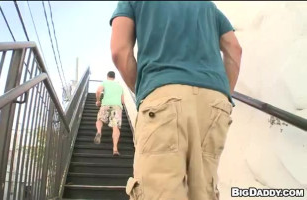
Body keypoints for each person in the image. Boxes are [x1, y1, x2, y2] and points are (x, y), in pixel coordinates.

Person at [110, 1, 242, 200]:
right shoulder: (208, 6)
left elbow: (119, 51)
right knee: (204, 192)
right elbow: (234, 49)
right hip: (214, 103)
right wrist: (223, 97)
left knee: (159, 192)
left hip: (163, 96)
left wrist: (146, 92)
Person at [94, 71, 125, 156]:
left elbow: (98, 91)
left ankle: (99, 131)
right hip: (117, 107)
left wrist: (98, 101)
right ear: (114, 77)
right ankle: (115, 149)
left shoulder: (105, 83)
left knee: (100, 119)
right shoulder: (120, 86)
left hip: (105, 104)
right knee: (115, 126)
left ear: (107, 76)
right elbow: (123, 101)